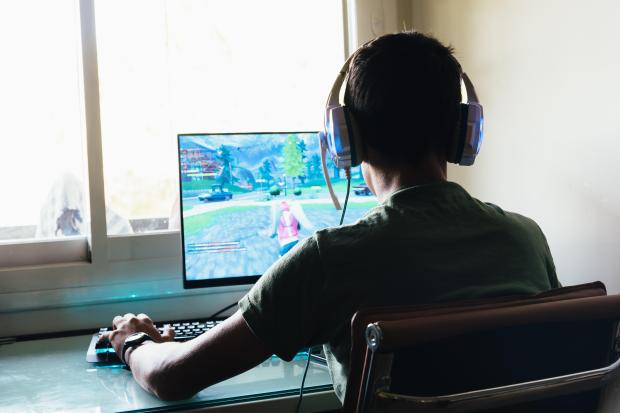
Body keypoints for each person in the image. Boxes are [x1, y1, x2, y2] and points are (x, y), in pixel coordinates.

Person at [102, 32, 560, 402]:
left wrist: (134, 342)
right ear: (463, 131)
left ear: (347, 139)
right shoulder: (526, 239)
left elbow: (173, 378)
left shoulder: (326, 261)